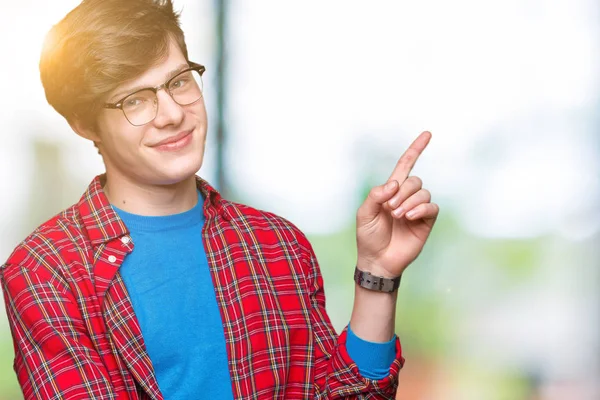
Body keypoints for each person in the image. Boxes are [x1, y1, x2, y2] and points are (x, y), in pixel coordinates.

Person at [0, 0, 439, 399]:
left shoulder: (278, 243)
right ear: (85, 124)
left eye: (178, 81)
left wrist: (377, 275)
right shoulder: (45, 271)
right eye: (135, 100)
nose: (172, 114)